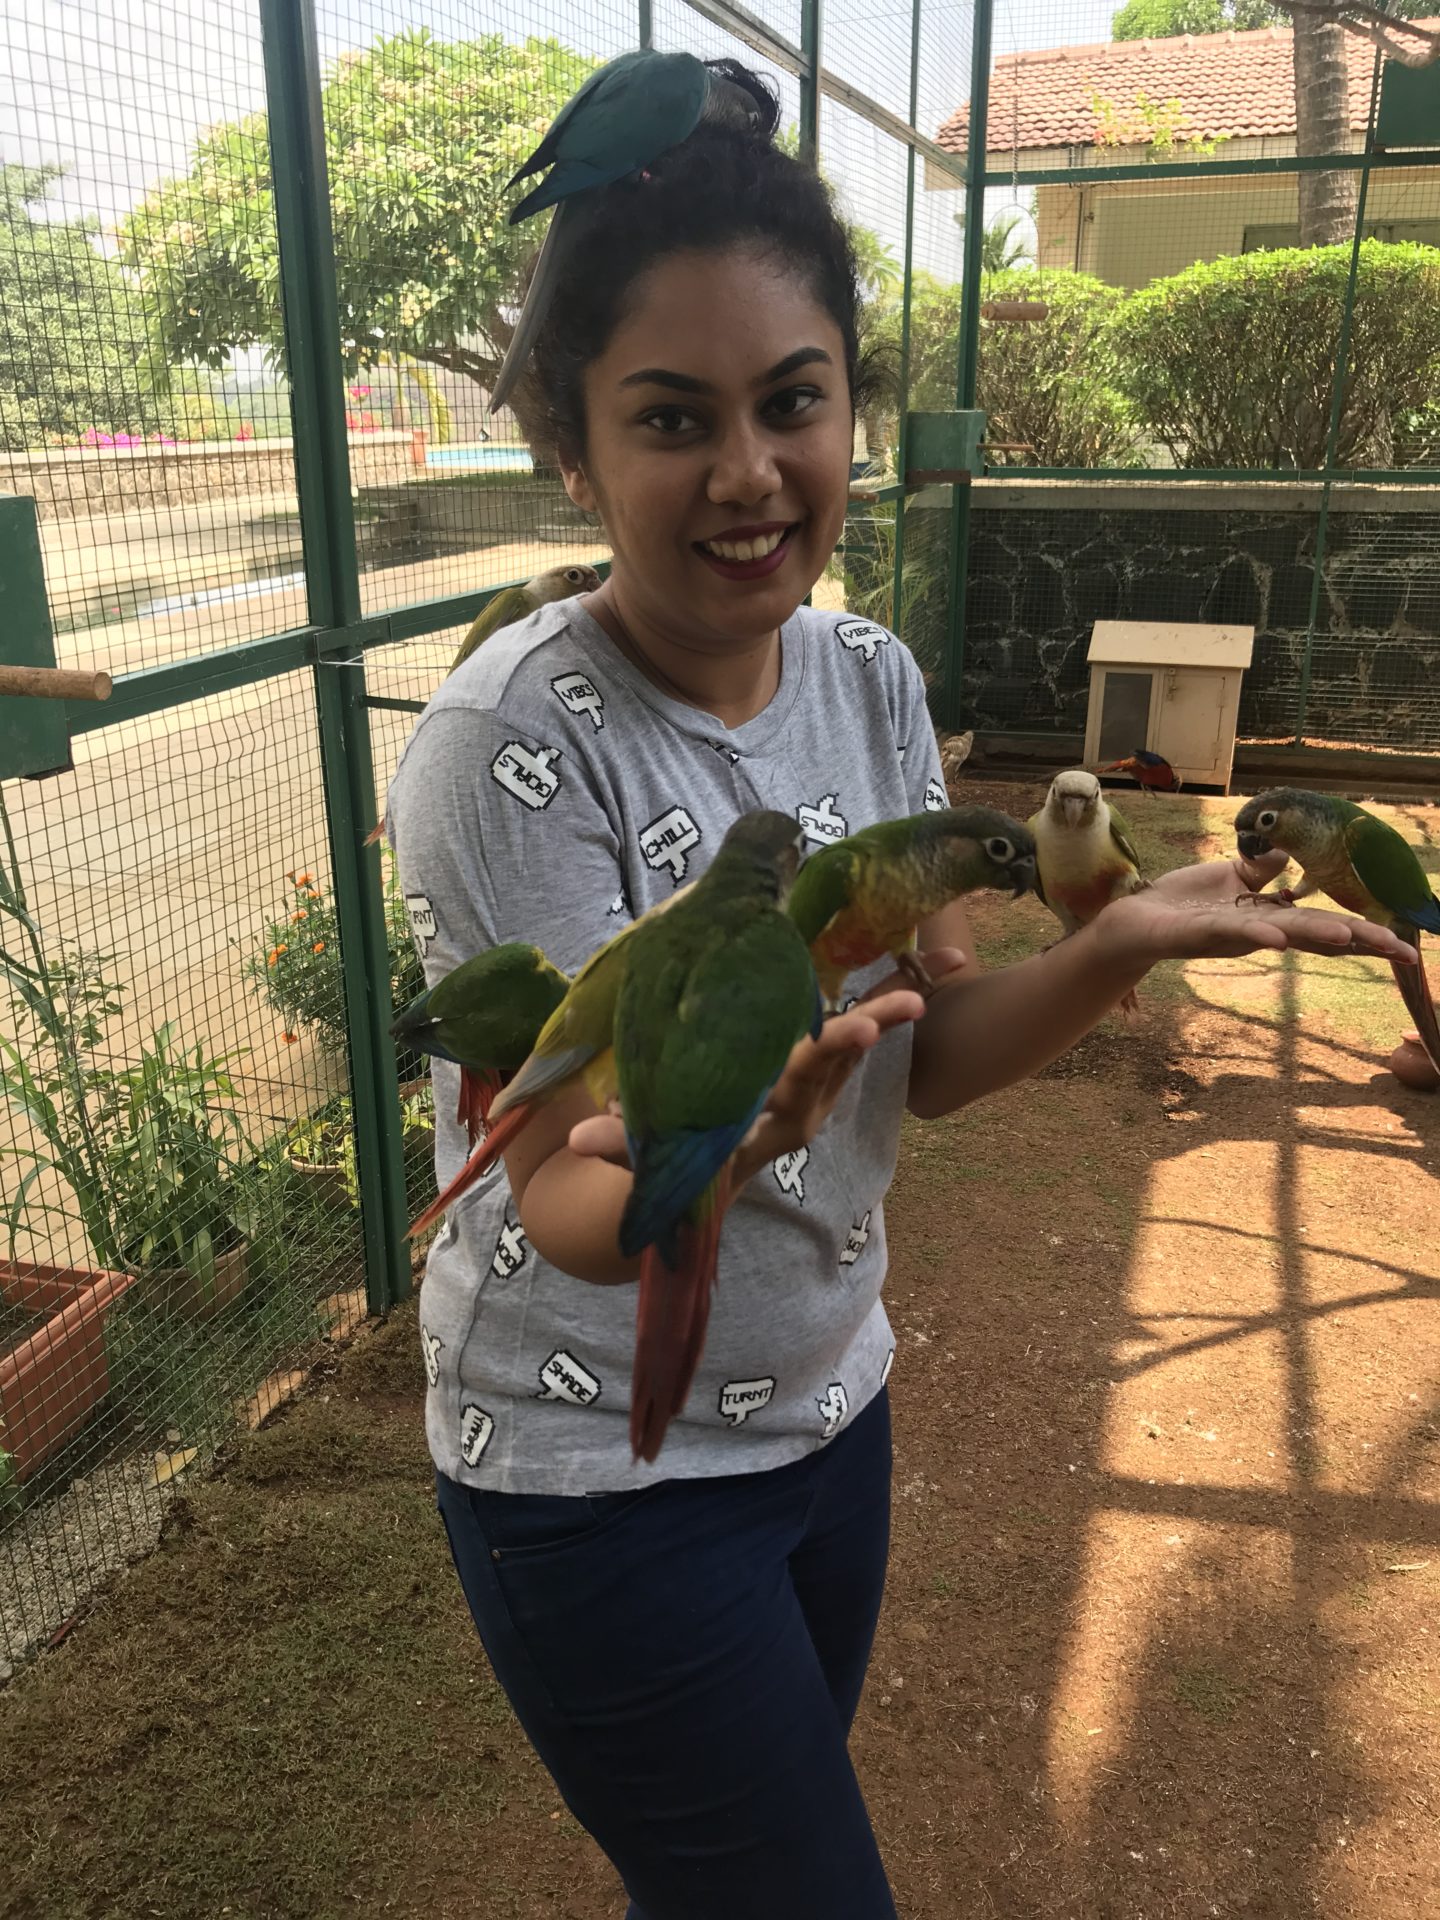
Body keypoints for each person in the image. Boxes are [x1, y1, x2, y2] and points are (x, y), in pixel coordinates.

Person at [384, 58, 1411, 1920]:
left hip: (827, 1413)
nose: (750, 471)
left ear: (855, 406)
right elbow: (559, 1191)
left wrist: (1106, 945)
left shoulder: (862, 671)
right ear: (572, 447)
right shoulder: (513, 746)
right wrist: (727, 1139)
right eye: (672, 418)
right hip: (596, 1477)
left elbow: (919, 1062)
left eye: (794, 403)